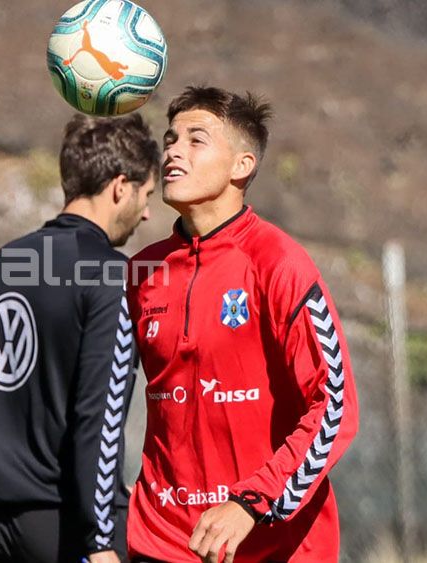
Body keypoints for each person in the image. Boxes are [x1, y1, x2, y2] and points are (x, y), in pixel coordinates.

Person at [125, 86, 360, 563]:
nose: (172, 150)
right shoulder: (141, 271)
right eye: (170, 139)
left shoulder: (280, 263)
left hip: (273, 544)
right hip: (162, 539)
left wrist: (254, 501)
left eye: (196, 140)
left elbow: (335, 408)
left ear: (242, 166)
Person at [0, 113, 161, 563]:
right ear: (119, 186)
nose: (147, 211)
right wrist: (102, 538)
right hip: (60, 527)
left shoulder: (5, 263)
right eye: (146, 195)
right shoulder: (110, 275)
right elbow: (101, 417)